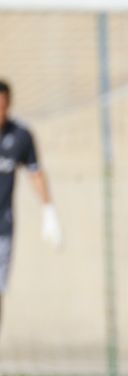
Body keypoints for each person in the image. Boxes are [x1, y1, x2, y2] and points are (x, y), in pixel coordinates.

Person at [0, 79, 62, 321]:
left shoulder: (20, 135)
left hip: (2, 227)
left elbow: (35, 173)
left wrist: (48, 211)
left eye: (3, 106)